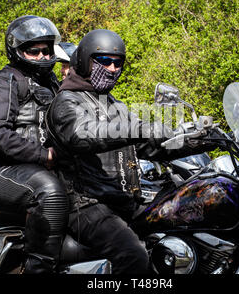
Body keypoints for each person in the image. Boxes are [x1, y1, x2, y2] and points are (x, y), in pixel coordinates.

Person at [46, 29, 176, 274]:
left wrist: (195, 139)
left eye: (118, 63)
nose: (113, 68)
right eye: (105, 61)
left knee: (178, 225)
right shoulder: (66, 101)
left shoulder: (113, 104)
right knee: (133, 255)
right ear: (84, 61)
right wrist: (142, 127)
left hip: (120, 199)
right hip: (85, 204)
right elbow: (83, 134)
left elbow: (145, 146)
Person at [0, 15, 69, 273]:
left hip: (32, 167)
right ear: (16, 50)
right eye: (33, 51)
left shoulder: (51, 84)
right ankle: (39, 268)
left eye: (46, 51)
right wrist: (43, 155)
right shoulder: (2, 83)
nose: (42, 56)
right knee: (49, 192)